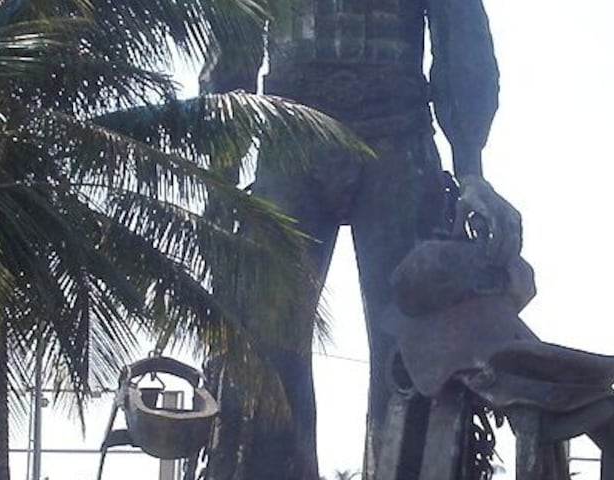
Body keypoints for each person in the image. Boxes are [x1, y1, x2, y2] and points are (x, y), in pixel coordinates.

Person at [197, 0, 511, 478]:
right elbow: (231, 44)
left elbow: (461, 34)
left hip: (397, 139)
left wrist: (471, 168)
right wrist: (220, 172)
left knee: (411, 347)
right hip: (290, 140)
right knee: (267, 344)